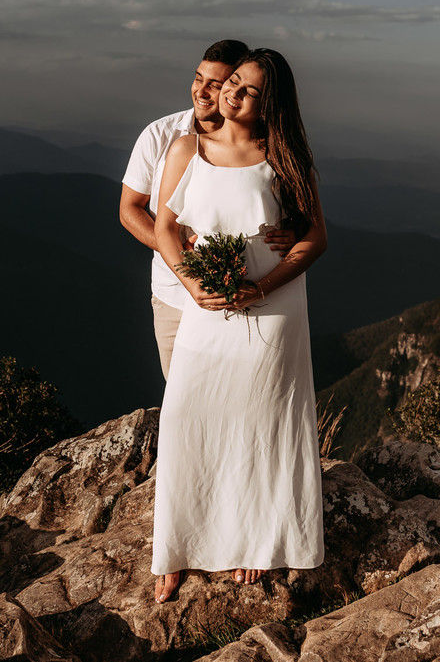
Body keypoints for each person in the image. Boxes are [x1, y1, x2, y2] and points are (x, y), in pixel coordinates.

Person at [150, 48, 326, 603]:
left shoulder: (284, 157)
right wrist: (191, 282)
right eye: (234, 84)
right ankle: (175, 548)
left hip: (272, 307)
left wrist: (262, 285)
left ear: (269, 103)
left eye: (249, 90)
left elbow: (315, 238)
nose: (233, 93)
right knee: (185, 414)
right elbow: (164, 228)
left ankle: (255, 540)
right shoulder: (186, 148)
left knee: (261, 418)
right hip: (205, 302)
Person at [120, 40, 295, 378]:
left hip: (245, 299)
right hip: (173, 295)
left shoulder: (270, 150)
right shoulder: (161, 136)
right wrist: (187, 257)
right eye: (198, 78)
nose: (201, 91)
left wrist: (293, 232)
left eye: (216, 84)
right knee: (182, 397)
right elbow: (129, 209)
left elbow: (287, 213)